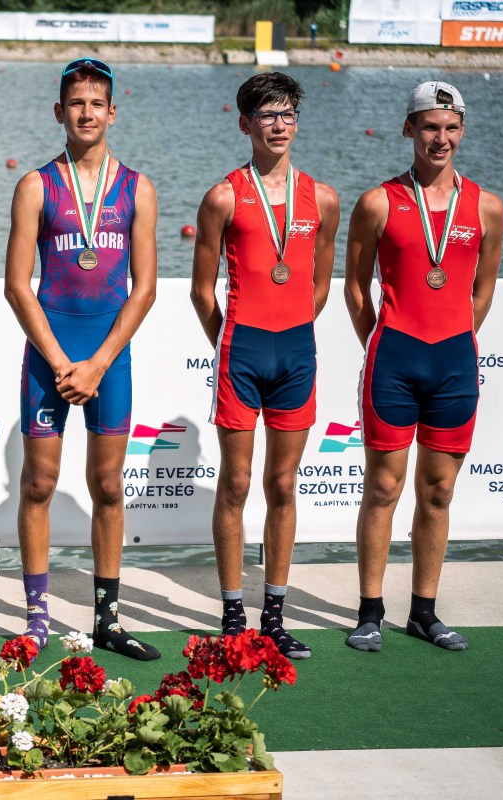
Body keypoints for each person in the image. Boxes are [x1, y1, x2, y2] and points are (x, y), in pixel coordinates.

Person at [4, 58, 160, 660]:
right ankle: (36, 619)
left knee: (108, 486)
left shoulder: (138, 188)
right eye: (76, 103)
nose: (86, 113)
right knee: (39, 483)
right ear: (59, 112)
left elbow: (144, 289)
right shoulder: (35, 186)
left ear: (112, 112)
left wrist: (96, 364)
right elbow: (18, 286)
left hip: (107, 356)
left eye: (97, 103)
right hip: (51, 352)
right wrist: (61, 362)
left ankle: (107, 621)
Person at [343, 81, 503, 653]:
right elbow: (355, 289)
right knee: (383, 487)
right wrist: (381, 342)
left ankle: (424, 612)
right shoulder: (378, 203)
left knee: (438, 492)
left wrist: (453, 338)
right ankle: (369, 611)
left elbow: (482, 292)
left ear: (462, 131)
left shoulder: (486, 207)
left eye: (451, 127)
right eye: (430, 126)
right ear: (409, 129)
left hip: (454, 365)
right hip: (394, 361)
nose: (441, 138)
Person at [189, 72, 339, 659]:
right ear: (245, 123)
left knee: (282, 484)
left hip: (296, 351)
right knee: (236, 483)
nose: (279, 125)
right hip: (242, 351)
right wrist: (229, 343)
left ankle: (273, 615)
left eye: (287, 115)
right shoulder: (223, 197)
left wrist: (291, 327)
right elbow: (202, 292)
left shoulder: (321, 198)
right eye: (267, 115)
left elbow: (319, 285)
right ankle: (233, 613)